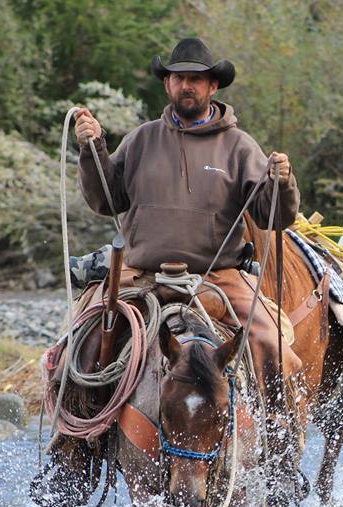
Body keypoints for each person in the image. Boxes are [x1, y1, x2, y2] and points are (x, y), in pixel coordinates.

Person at [74, 37, 302, 394]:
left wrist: (281, 183)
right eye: (177, 78)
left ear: (213, 86)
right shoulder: (140, 139)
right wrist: (93, 149)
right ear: (167, 84)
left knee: (272, 344)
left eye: (195, 79)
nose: (186, 85)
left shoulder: (240, 147)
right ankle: (73, 440)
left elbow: (273, 216)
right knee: (78, 345)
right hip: (142, 275)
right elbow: (106, 200)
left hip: (219, 277)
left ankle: (278, 434)